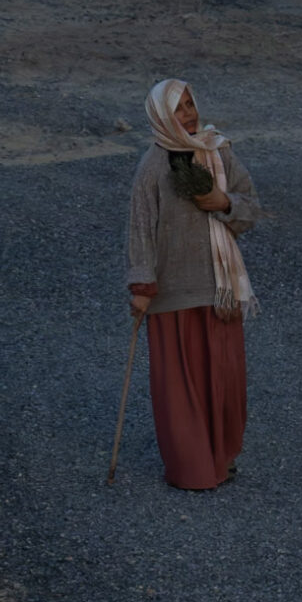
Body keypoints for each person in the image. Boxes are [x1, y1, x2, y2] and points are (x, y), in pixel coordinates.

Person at [126, 80, 261, 492]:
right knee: (181, 388)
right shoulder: (152, 167)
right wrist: (141, 284)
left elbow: (249, 207)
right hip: (172, 294)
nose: (188, 115)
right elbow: (140, 230)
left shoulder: (218, 151)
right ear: (161, 118)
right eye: (178, 109)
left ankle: (222, 457)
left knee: (225, 380)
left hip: (220, 289)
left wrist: (224, 204)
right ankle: (193, 470)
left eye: (190, 104)